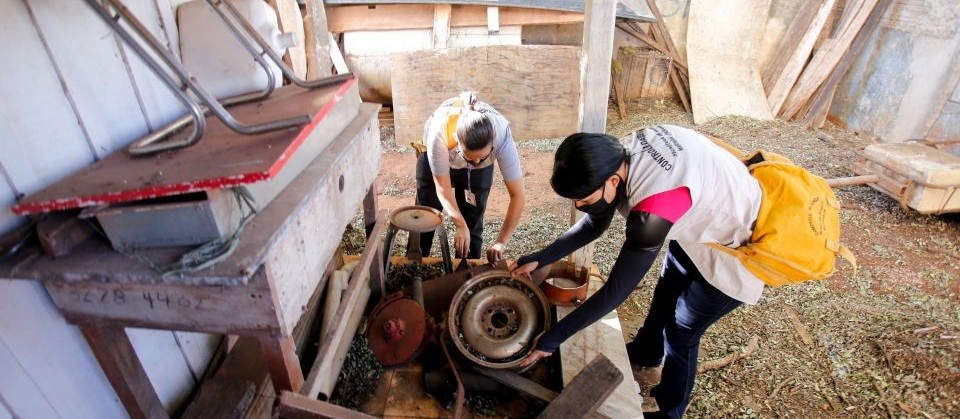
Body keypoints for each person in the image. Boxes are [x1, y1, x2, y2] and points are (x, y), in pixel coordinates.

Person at [512, 125, 766, 419]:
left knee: (682, 331)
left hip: (741, 246)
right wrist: (541, 258)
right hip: (699, 221)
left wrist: (553, 339)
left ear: (613, 181)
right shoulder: (615, 154)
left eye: (583, 198)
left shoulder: (650, 216)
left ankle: (669, 410)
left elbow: (614, 292)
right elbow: (596, 222)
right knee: (665, 294)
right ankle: (646, 352)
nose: (579, 205)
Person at [413, 92, 525, 263]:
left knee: (472, 218)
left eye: (483, 157)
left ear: (492, 141)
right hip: (440, 153)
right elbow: (442, 187)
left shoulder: (501, 135)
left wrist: (501, 242)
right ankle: (415, 264)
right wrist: (458, 224)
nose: (477, 162)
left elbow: (518, 196)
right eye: (471, 158)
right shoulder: (440, 133)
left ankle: (467, 270)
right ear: (457, 140)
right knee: (426, 212)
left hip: (471, 162)